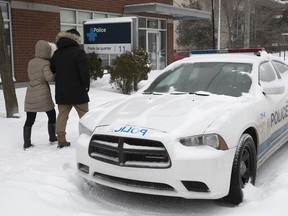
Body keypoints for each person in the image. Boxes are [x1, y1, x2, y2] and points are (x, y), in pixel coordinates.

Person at [50, 29, 90, 148]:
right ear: (76, 39)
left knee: (62, 115)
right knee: (85, 115)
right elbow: (84, 72)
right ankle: (87, 137)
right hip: (79, 90)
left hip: (63, 91)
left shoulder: (57, 53)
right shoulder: (79, 52)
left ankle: (61, 139)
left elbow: (53, 70)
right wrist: (86, 86)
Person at [23, 40, 57, 150]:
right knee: (51, 114)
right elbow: (49, 78)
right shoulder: (45, 63)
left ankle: (27, 143)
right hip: (42, 92)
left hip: (31, 91)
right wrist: (56, 73)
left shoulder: (31, 62)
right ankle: (52, 137)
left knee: (30, 119)